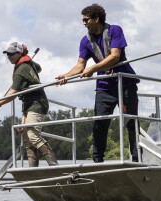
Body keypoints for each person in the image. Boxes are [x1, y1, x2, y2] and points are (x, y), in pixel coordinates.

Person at [55, 3, 140, 163]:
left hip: (125, 82)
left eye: (86, 20)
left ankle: (136, 158)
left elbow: (115, 56)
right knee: (100, 123)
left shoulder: (115, 30)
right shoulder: (85, 40)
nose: (84, 23)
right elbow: (80, 65)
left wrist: (93, 68)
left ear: (96, 19)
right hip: (104, 86)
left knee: (131, 121)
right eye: (83, 20)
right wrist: (66, 75)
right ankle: (97, 160)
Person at [0, 42, 58, 167]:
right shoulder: (28, 64)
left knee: (33, 135)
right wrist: (27, 59)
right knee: (27, 139)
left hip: (37, 104)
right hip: (29, 104)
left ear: (19, 53)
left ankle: (54, 165)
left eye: (12, 54)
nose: (9, 57)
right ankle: (32, 169)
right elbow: (39, 68)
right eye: (8, 54)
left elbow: (12, 94)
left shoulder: (21, 70)